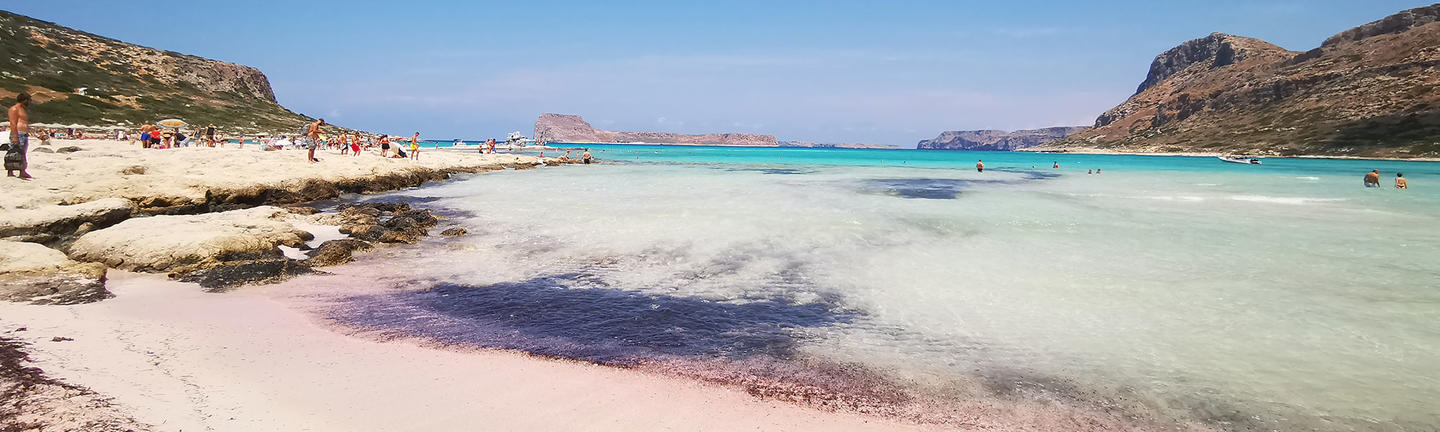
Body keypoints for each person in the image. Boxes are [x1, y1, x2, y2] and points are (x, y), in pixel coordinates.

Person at [6, 92, 32, 178]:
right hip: (18, 133)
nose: (30, 102)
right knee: (13, 152)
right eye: (29, 100)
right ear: (24, 100)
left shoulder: (22, 109)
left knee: (22, 153)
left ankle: (22, 171)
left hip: (23, 134)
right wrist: (15, 136)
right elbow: (13, 123)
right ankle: (10, 171)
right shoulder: (14, 109)